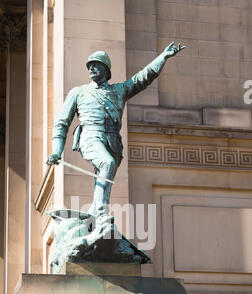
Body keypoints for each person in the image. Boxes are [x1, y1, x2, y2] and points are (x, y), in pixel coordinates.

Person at [47, 41, 185, 216]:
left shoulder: (119, 90)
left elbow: (142, 78)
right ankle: (101, 212)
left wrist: (163, 57)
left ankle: (94, 213)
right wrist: (56, 152)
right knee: (107, 163)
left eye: (96, 65)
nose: (91, 68)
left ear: (106, 70)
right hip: (90, 136)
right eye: (90, 66)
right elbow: (61, 123)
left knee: (104, 176)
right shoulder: (78, 92)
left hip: (113, 141)